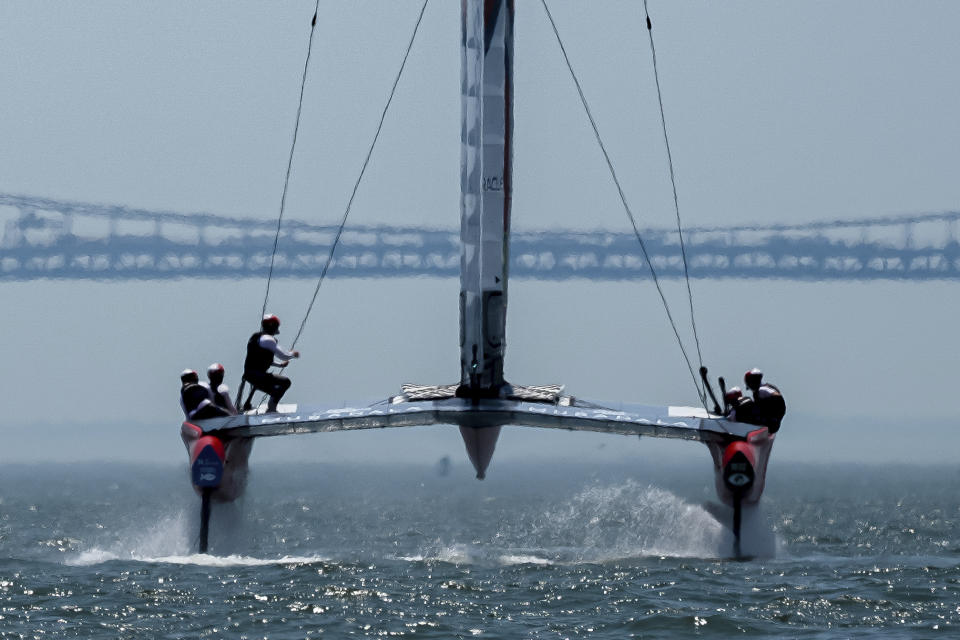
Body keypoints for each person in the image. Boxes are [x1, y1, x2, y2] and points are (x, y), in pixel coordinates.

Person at [243, 314, 301, 413]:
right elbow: (284, 355)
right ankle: (271, 408)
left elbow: (262, 360)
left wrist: (280, 365)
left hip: (250, 375)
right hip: (257, 376)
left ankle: (248, 405)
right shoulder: (268, 340)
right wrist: (293, 354)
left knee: (275, 386)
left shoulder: (256, 338)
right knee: (285, 382)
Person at [743, 368, 786, 433]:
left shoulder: (761, 391)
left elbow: (778, 400)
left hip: (771, 424)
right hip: (773, 423)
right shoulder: (769, 387)